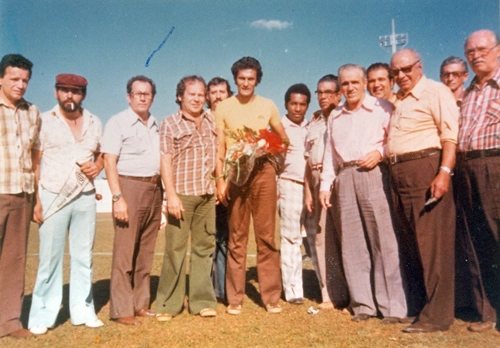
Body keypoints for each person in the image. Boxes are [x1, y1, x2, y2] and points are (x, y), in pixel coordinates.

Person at [319, 64, 407, 323]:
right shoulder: (335, 116)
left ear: (363, 82)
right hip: (345, 178)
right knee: (353, 244)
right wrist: (326, 185)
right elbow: (329, 156)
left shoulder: (382, 108)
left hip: (374, 175)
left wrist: (380, 152)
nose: (350, 88)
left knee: (383, 241)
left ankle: (392, 307)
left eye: (355, 82)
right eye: (345, 84)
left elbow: (395, 139)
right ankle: (363, 305)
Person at [388, 48, 459, 333]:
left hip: (425, 168)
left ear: (419, 66)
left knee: (433, 244)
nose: (401, 76)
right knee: (410, 243)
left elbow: (449, 136)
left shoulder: (436, 91)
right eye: (396, 72)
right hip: (399, 172)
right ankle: (420, 307)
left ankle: (438, 316)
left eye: (407, 69)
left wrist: (443, 172)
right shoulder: (398, 100)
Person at [28, 74, 104, 335]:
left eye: (76, 91)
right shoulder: (43, 121)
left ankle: (83, 311)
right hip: (52, 195)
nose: (70, 96)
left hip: (85, 196)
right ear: (56, 93)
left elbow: (101, 154)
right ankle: (42, 315)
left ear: (83, 95)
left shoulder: (95, 121)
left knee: (84, 257)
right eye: (65, 90)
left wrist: (98, 166)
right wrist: (36, 200)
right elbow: (35, 162)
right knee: (49, 258)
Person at [215, 56, 289, 315]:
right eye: (242, 78)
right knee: (237, 237)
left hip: (263, 173)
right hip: (236, 175)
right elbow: (220, 148)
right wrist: (221, 180)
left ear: (257, 80)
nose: (246, 83)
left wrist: (266, 146)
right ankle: (235, 298)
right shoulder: (223, 107)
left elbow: (284, 139)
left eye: (251, 79)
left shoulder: (267, 105)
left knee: (266, 236)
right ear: (235, 80)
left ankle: (271, 297)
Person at [155, 76, 218, 321]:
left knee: (204, 249)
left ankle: (202, 301)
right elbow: (165, 160)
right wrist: (170, 195)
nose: (197, 99)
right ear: (180, 96)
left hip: (207, 195)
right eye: (191, 94)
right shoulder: (170, 123)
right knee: (175, 249)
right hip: (180, 195)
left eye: (201, 94)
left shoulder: (212, 120)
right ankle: (169, 304)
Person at [101, 75, 162, 326]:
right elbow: (108, 161)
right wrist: (118, 198)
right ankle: (121, 309)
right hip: (129, 187)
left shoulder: (157, 124)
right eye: (138, 93)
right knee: (125, 253)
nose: (143, 97)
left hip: (154, 189)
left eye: (147, 93)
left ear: (153, 97)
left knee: (145, 253)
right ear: (129, 97)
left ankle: (140, 304)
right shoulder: (118, 122)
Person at [454, 29, 500, 333]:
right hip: (467, 167)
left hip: (495, 163)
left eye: (482, 49)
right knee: (478, 241)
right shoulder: (467, 92)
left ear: (497, 50)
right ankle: (489, 312)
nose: (476, 55)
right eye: (470, 51)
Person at [0, 54, 40, 340]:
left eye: (25, 80)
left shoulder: (32, 112)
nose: (20, 85)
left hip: (22, 194)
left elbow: (36, 156)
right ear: (1, 78)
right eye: (14, 79)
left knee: (14, 260)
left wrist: (36, 197)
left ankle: (10, 321)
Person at [304, 75, 349, 310]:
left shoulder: (345, 115)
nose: (323, 97)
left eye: (328, 92)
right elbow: (306, 159)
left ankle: (352, 292)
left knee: (346, 237)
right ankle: (329, 293)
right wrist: (307, 192)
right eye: (319, 92)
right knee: (320, 239)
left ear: (338, 94)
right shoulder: (315, 122)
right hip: (315, 181)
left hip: (338, 179)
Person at [279, 83, 310, 305]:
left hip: (314, 189)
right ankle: (293, 291)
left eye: (302, 104)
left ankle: (326, 289)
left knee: (318, 239)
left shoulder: (315, 126)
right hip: (288, 185)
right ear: (286, 104)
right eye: (293, 103)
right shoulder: (278, 127)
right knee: (291, 238)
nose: (297, 108)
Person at [206, 77, 233, 302]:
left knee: (225, 239)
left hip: (229, 188)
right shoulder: (203, 119)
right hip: (205, 189)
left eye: (221, 92)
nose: (217, 96)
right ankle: (205, 288)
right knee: (207, 240)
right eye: (213, 92)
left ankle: (224, 289)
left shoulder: (234, 118)